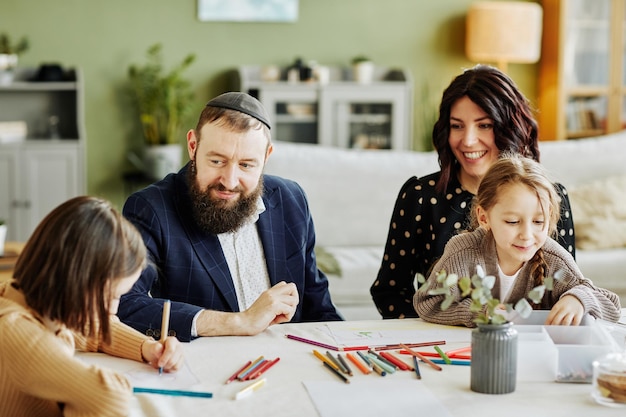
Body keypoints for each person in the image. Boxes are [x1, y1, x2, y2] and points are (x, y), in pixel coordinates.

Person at [118, 92, 342, 342]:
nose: (230, 181)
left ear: (266, 156)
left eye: (246, 165)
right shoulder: (150, 208)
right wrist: (240, 321)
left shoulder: (291, 199)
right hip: (202, 371)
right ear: (193, 146)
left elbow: (320, 310)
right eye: (216, 161)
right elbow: (125, 304)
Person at [370, 64, 576, 319]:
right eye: (457, 126)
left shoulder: (551, 199)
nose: (467, 140)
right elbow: (390, 292)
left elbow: (563, 287)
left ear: (509, 127)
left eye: (484, 125)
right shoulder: (420, 196)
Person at [0, 196, 184, 417]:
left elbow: (93, 330)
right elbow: (108, 396)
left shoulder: (45, 308)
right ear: (74, 281)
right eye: (111, 296)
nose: (114, 310)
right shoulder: (14, 330)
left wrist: (147, 348)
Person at [414, 155, 621, 327]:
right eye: (513, 221)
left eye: (538, 221)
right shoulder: (463, 251)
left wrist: (578, 299)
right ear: (484, 218)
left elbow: (611, 305)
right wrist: (481, 312)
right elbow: (428, 302)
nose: (527, 234)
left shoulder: (554, 258)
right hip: (472, 351)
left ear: (549, 215)